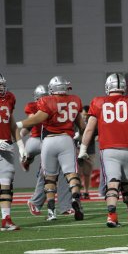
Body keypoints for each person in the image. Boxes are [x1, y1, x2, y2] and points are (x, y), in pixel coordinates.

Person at [78, 73, 128, 227]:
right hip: (126, 149)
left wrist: (83, 149)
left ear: (108, 87)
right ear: (123, 87)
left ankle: (112, 215)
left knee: (112, 183)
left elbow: (89, 130)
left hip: (108, 150)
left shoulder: (97, 102)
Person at [16, 76, 85, 222]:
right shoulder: (74, 100)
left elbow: (36, 119)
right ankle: (75, 198)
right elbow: (82, 126)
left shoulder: (46, 101)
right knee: (71, 174)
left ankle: (51, 211)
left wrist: (18, 125)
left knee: (49, 177)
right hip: (67, 139)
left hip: (49, 140)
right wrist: (80, 140)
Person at [22, 85, 73, 217]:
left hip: (50, 140)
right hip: (37, 140)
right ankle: (27, 160)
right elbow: (31, 122)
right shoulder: (35, 107)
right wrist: (19, 134)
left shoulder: (55, 105)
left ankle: (64, 206)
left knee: (60, 170)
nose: (42, 101)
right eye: (40, 99)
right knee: (47, 171)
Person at [0, 73, 24, 231]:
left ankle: (6, 219)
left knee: (6, 183)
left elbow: (11, 122)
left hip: (6, 146)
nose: (2, 88)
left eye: (2, 84)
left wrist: (21, 145)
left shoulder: (9, 98)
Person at [77, 105, 97, 199]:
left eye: (86, 115)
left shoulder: (93, 122)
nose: (85, 117)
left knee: (87, 172)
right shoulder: (76, 122)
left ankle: (86, 191)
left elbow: (96, 135)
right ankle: (78, 191)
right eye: (83, 115)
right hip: (77, 149)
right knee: (78, 172)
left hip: (89, 149)